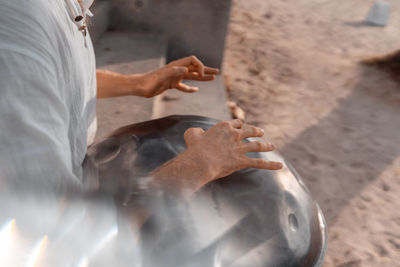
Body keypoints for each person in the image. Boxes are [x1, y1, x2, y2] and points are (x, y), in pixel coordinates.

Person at [0, 0, 282, 197]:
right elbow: (52, 231)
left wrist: (138, 84)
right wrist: (200, 165)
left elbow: (50, 77)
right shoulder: (18, 30)